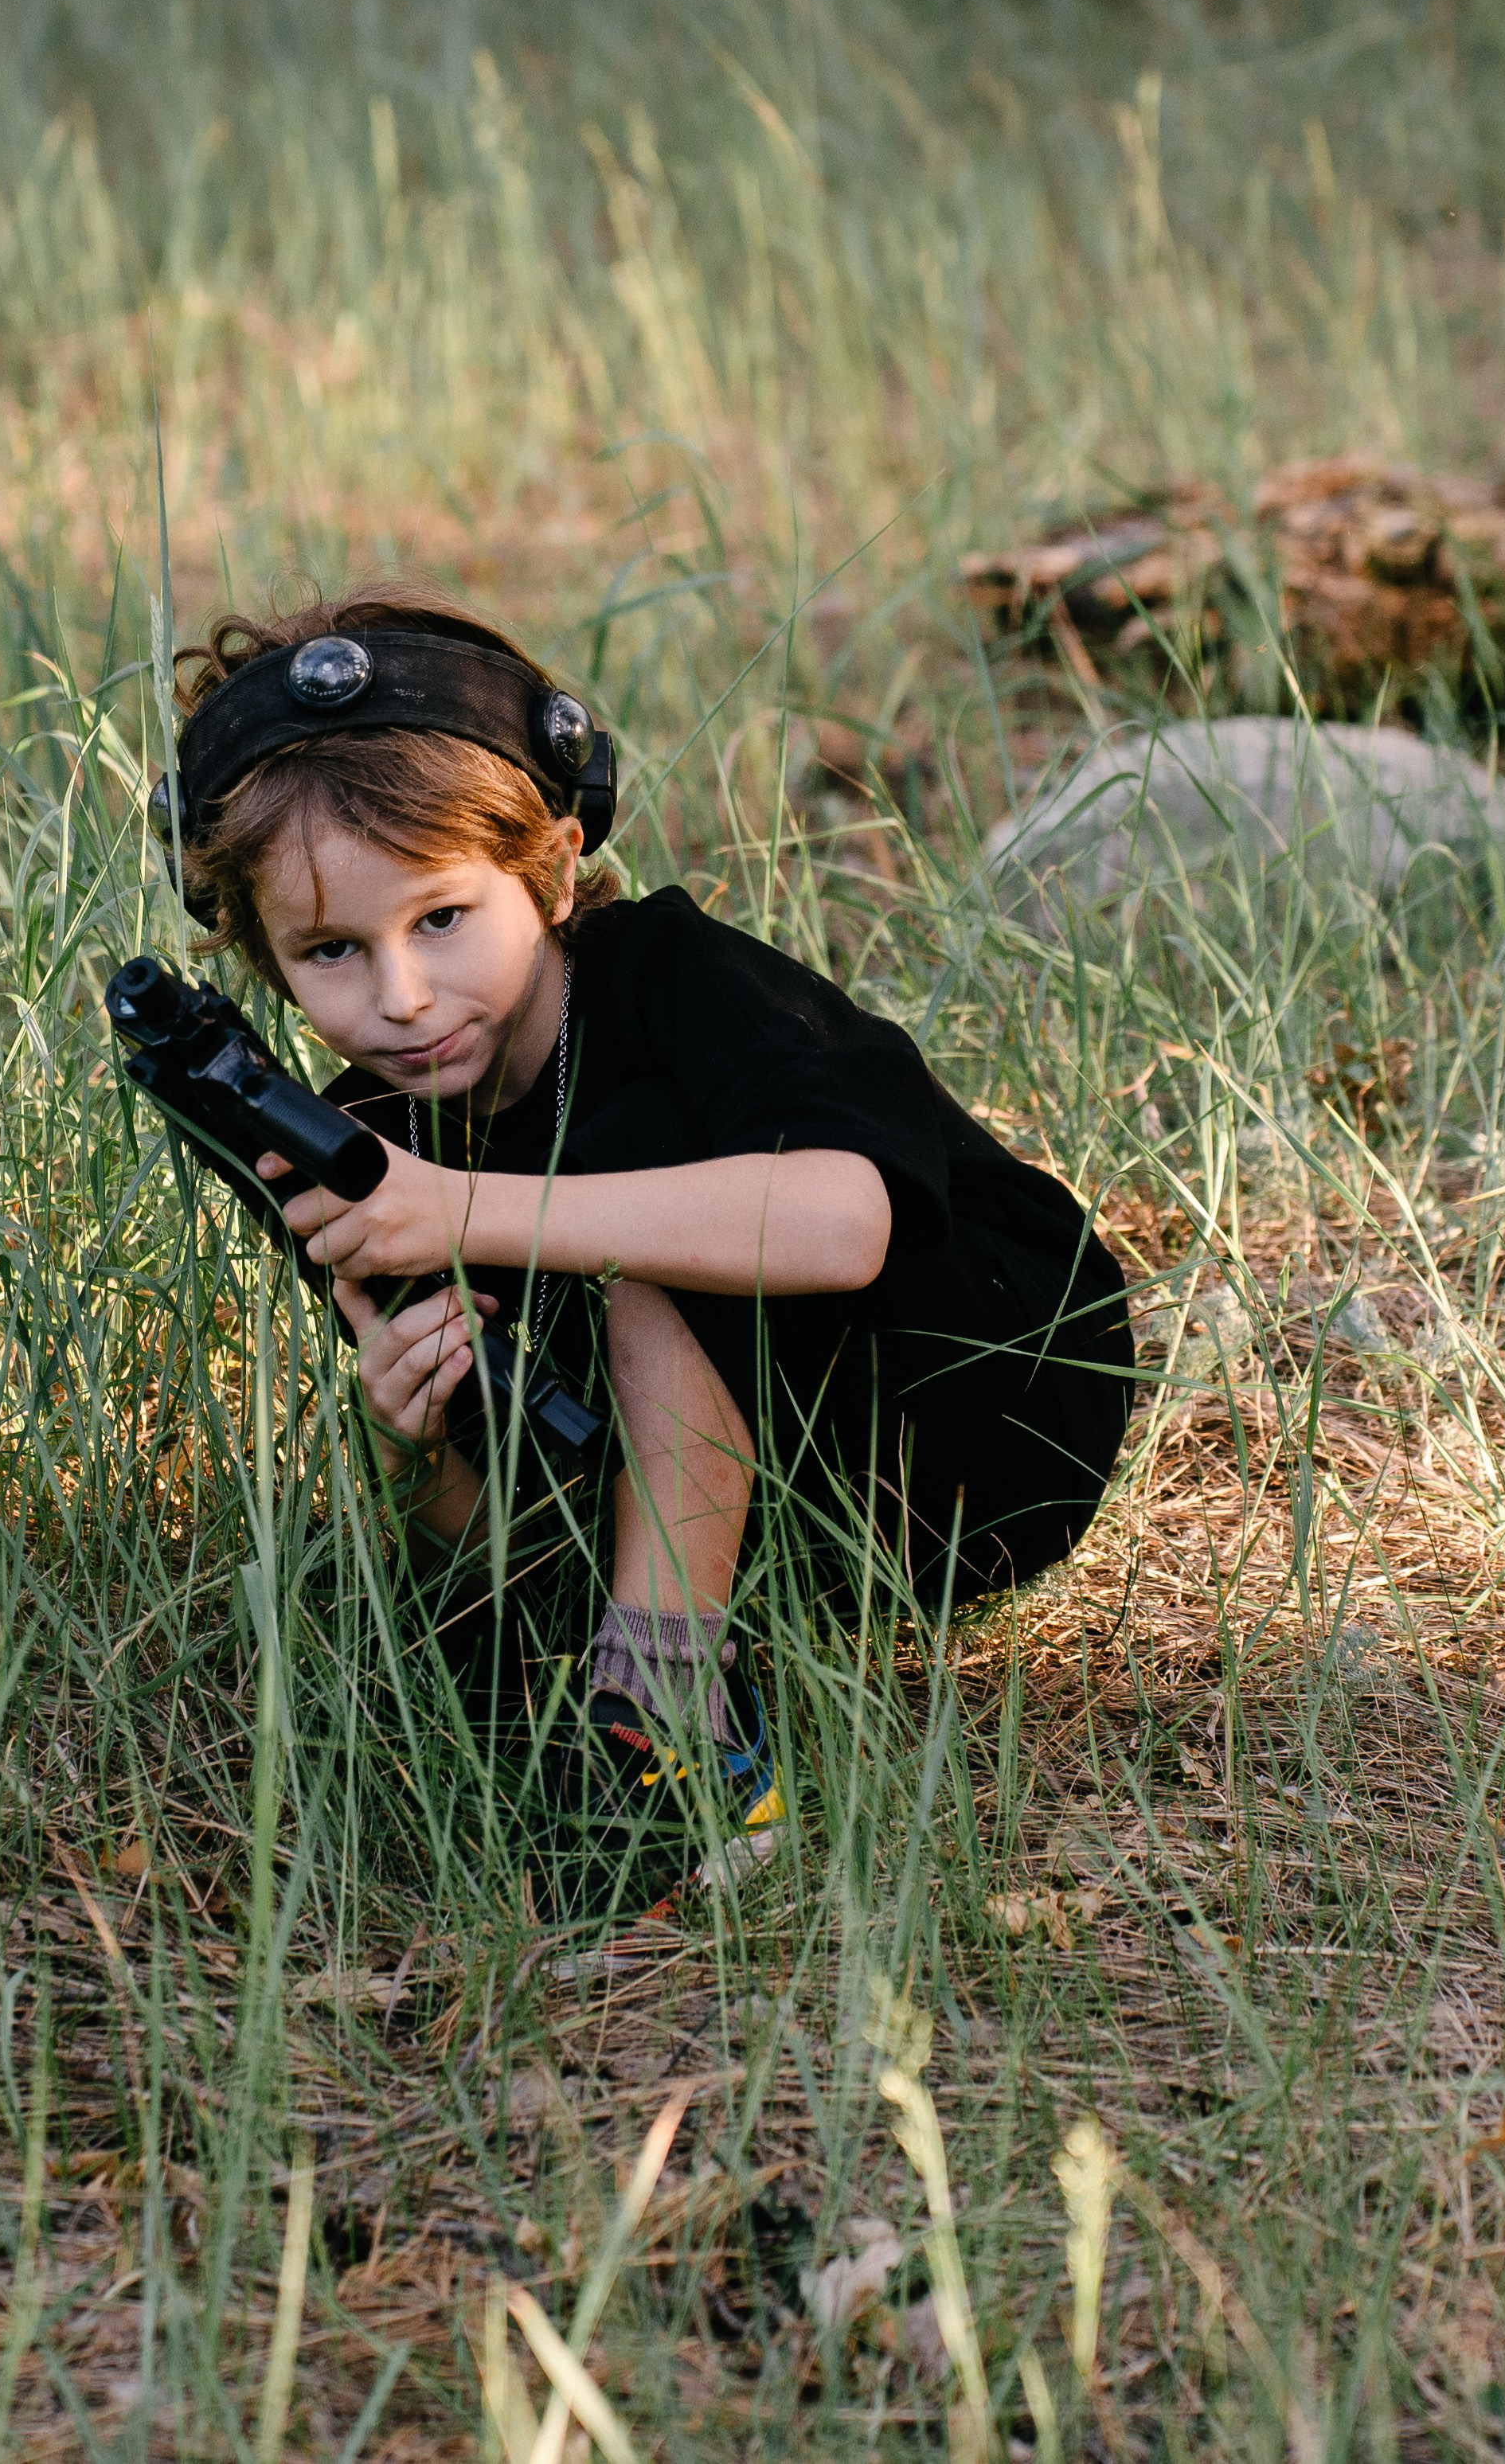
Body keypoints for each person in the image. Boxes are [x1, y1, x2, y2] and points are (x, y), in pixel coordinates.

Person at [162, 584, 1134, 1892]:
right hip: (792, 1502)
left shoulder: (668, 974)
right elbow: (504, 1552)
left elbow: (845, 1223)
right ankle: (664, 1648)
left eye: (442, 918)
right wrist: (408, 1438)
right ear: (266, 958)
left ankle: (673, 1710)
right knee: (498, 1518)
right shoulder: (367, 1147)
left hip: (989, 1395)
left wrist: (462, 1210)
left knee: (631, 1155)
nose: (401, 997)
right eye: (331, 949)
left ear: (555, 868)